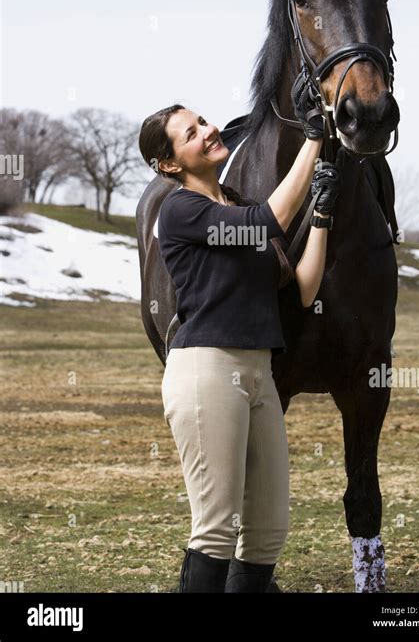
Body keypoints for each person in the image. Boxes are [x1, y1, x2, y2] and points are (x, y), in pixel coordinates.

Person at [138, 94, 340, 593]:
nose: (207, 130)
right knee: (216, 530)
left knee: (268, 533)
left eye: (202, 121)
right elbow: (267, 223)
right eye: (191, 134)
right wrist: (314, 140)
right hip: (207, 369)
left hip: (258, 374)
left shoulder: (240, 206)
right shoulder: (180, 209)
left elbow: (304, 287)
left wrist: (321, 217)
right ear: (167, 164)